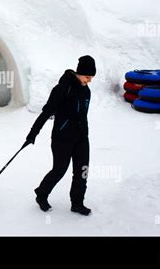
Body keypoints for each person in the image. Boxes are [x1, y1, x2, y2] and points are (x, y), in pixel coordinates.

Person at [25, 56, 96, 215]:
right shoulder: (62, 89)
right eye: (87, 77)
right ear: (79, 73)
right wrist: (33, 133)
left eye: (91, 77)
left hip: (82, 138)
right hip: (62, 138)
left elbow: (82, 115)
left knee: (82, 171)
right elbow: (46, 112)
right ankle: (41, 194)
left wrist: (83, 132)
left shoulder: (86, 91)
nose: (89, 80)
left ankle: (77, 203)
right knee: (59, 170)